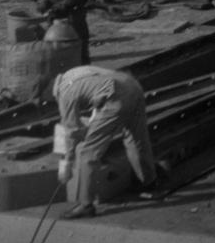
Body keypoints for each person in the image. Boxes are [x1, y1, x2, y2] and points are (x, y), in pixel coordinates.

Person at [50, 64, 161, 220]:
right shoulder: (74, 73)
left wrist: (65, 166)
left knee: (88, 153)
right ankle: (149, 182)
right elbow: (98, 91)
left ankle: (85, 205)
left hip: (115, 97)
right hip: (132, 85)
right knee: (135, 138)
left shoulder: (64, 94)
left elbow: (70, 131)